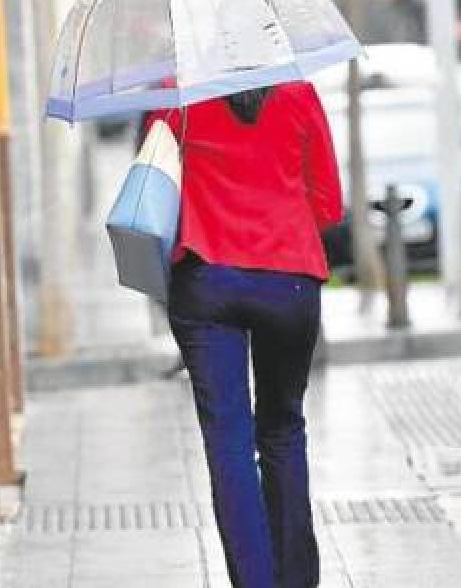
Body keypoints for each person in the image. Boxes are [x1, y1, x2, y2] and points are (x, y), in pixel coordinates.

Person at [145, 81, 343, 588]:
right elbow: (328, 204)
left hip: (207, 280)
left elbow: (153, 190)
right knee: (283, 427)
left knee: (228, 441)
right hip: (289, 281)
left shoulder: (177, 96)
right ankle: (297, 578)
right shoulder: (298, 93)